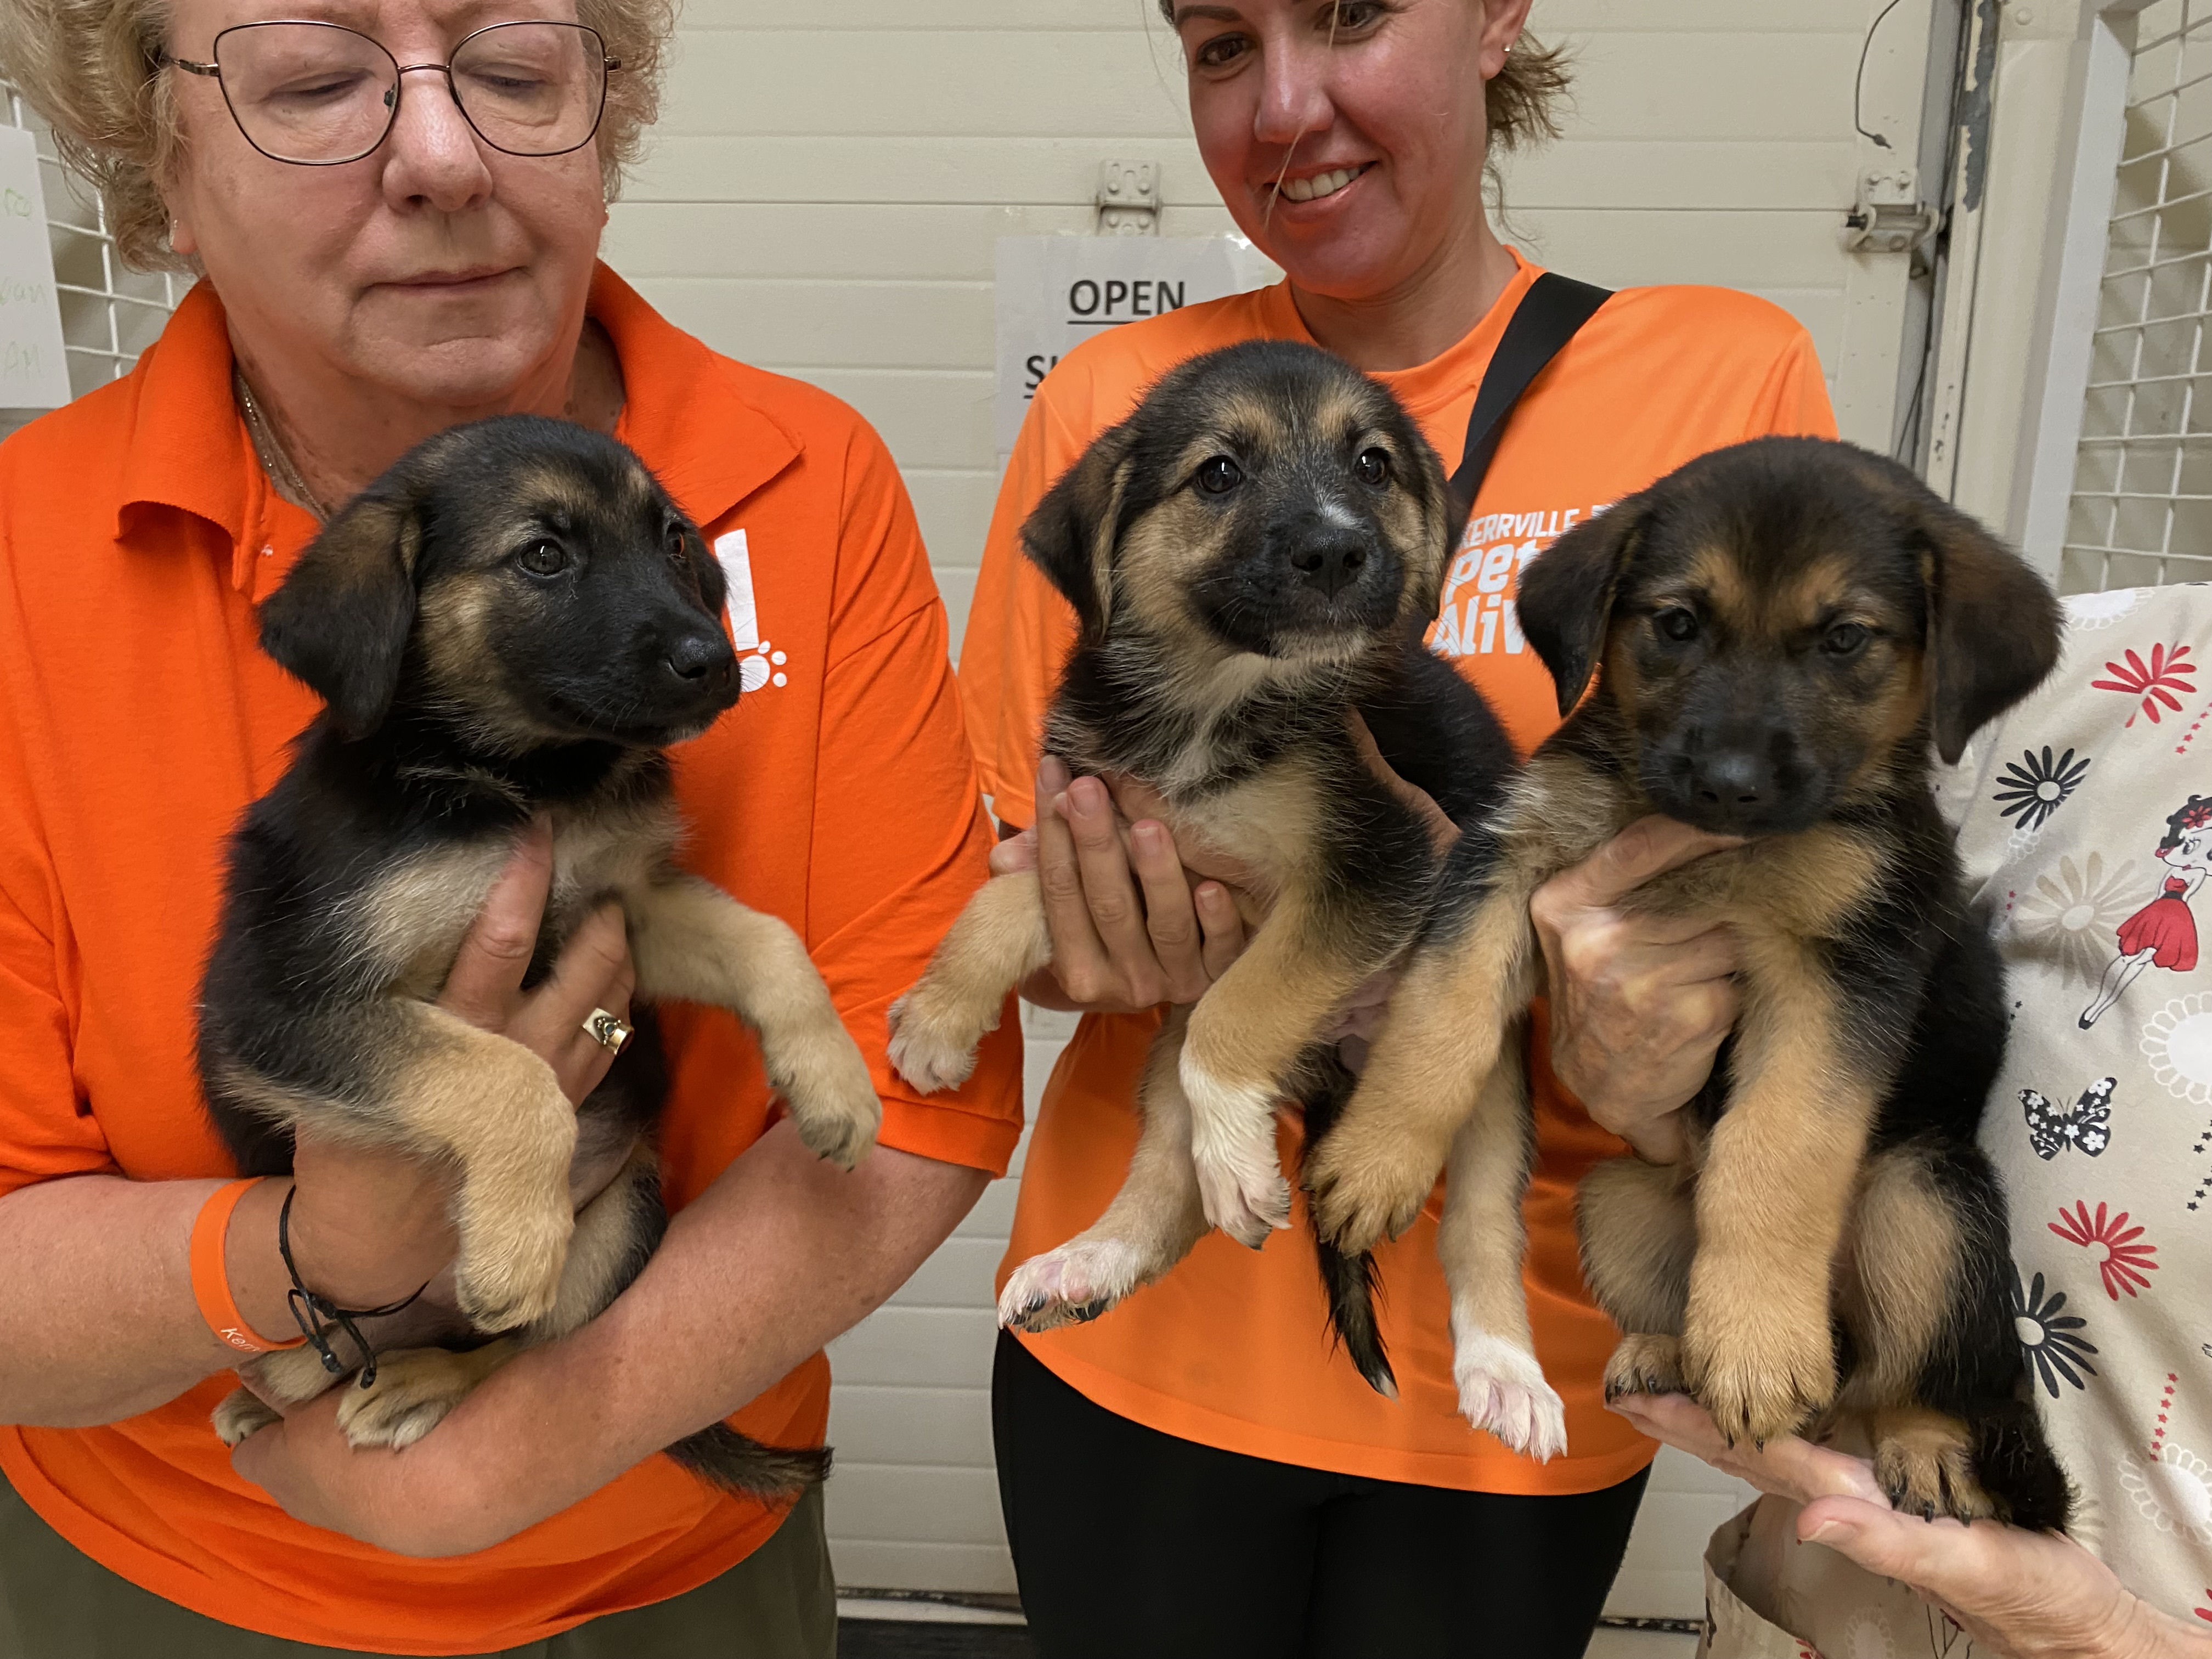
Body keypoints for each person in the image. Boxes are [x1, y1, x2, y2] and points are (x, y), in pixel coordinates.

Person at [0, 0, 1020, 1652]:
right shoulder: (19, 557)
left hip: (672, 1567)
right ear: (156, 161)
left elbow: (922, 1090)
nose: (443, 155)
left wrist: (514, 1449)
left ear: (606, 112)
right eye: (317, 80)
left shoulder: (807, 476)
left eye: (517, 66)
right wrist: (305, 1253)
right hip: (167, 1571)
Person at [960, 2, 1831, 1654]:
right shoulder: (1118, 398)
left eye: (1351, 14)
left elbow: (1762, 894)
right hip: (1145, 1357)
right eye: (1221, 44)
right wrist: (1126, 931)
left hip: (1512, 1372)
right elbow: (1030, 883)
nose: (1287, 104)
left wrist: (1606, 1000)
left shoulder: (1722, 374)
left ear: (1499, 18)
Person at [1622, 580, 2212, 1658]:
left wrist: (2103, 1637)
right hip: (1817, 1601)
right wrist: (1624, 1050)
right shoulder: (2083, 664)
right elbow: (1674, 949)